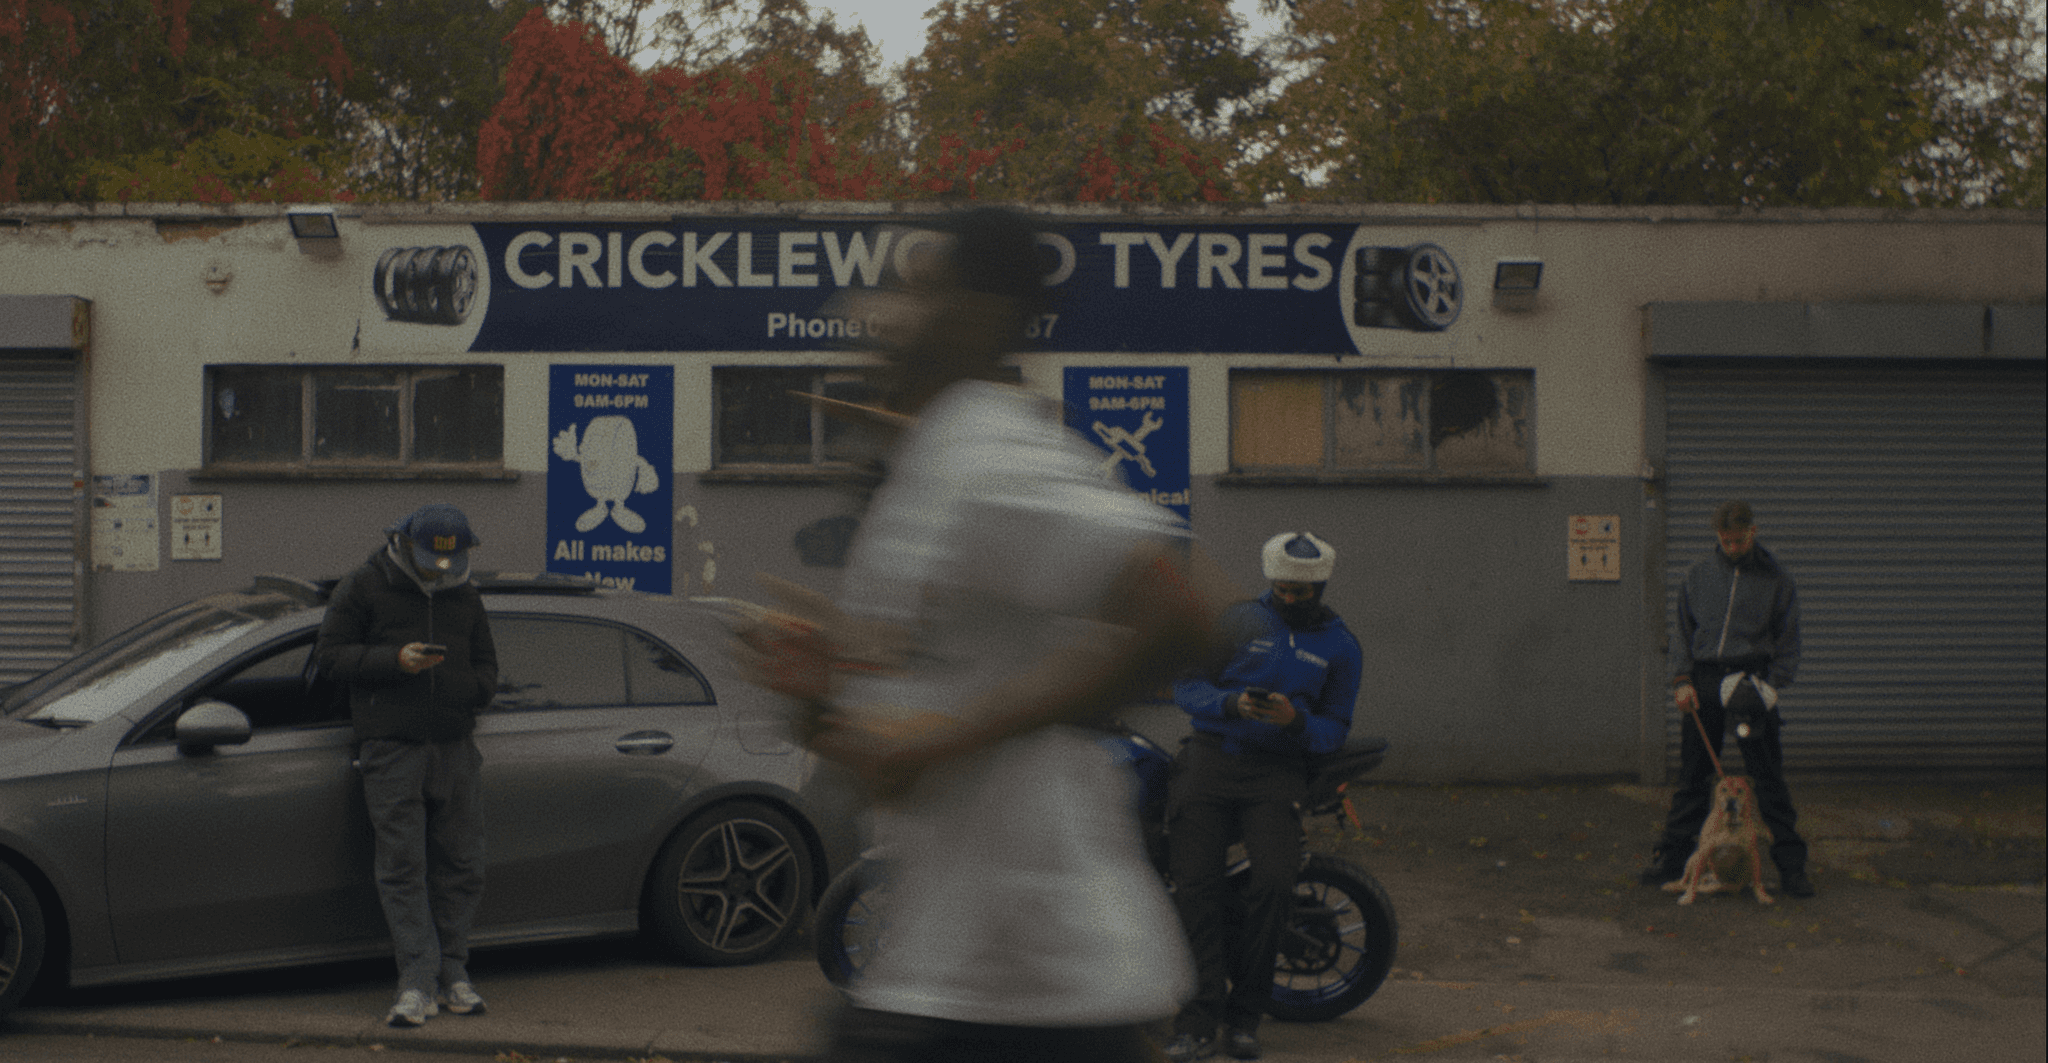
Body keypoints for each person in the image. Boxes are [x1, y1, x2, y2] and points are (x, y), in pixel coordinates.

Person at [747, 207, 1229, 1063]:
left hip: (1046, 981)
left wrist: (956, 736)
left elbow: (1186, 615)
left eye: (911, 286)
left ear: (977, 312)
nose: (876, 311)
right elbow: (892, 773)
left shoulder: (992, 450)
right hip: (946, 974)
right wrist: (814, 699)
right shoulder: (925, 471)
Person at [1164, 532, 1362, 1063]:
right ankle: (1197, 1022)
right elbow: (1187, 686)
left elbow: (1336, 727)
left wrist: (1297, 721)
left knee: (1274, 883)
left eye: (1303, 592)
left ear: (1320, 586)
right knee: (1195, 887)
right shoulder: (1236, 622)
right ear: (1269, 580)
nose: (1291, 599)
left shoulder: (1341, 645)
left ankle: (1245, 1017)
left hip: (1276, 772)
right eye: (1282, 590)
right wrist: (1229, 704)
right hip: (1212, 758)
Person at [315, 503, 500, 1027]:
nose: (440, 571)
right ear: (403, 543)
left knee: (463, 863)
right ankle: (417, 981)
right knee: (403, 868)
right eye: (429, 561)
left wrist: (473, 691)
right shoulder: (364, 586)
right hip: (391, 749)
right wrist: (395, 662)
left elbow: (487, 663)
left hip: (455, 746)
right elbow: (329, 657)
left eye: (451, 561)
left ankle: (455, 974)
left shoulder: (465, 594)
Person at [1640, 500, 1814, 899]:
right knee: (1693, 777)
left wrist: (1773, 685)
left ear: (1753, 531)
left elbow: (1789, 639)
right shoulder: (1699, 576)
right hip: (1703, 681)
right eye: (1725, 541)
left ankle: (1791, 869)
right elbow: (1683, 630)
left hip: (1750, 684)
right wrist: (1681, 680)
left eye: (1738, 540)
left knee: (1767, 777)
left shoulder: (1776, 579)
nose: (1732, 547)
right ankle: (1672, 859)